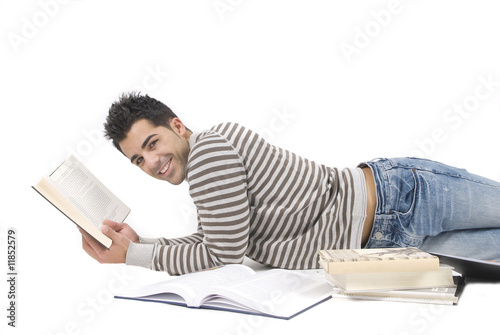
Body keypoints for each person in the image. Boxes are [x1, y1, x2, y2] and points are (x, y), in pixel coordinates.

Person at [79, 92, 500, 275]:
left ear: (177, 125)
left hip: (404, 197)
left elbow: (221, 255)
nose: (152, 162)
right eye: (138, 159)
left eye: (152, 144)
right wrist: (140, 248)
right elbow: (212, 243)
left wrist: (133, 257)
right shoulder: (207, 178)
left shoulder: (208, 151)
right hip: (386, 240)